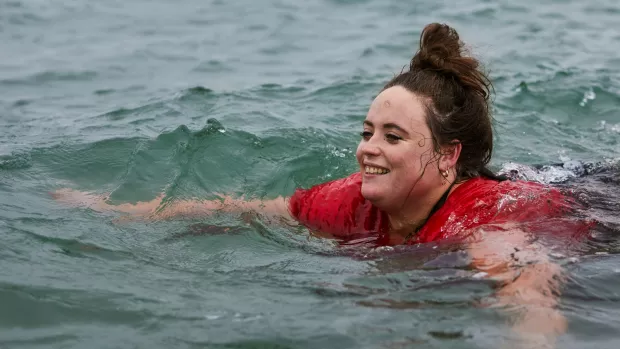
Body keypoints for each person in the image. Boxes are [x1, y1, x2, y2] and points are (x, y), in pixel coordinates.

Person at [53, 23, 593, 348]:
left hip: (594, 216)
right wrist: (114, 211)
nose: (368, 149)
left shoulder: (487, 224)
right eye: (367, 132)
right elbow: (244, 209)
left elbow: (532, 302)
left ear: (447, 156)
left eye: (393, 136)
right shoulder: (351, 201)